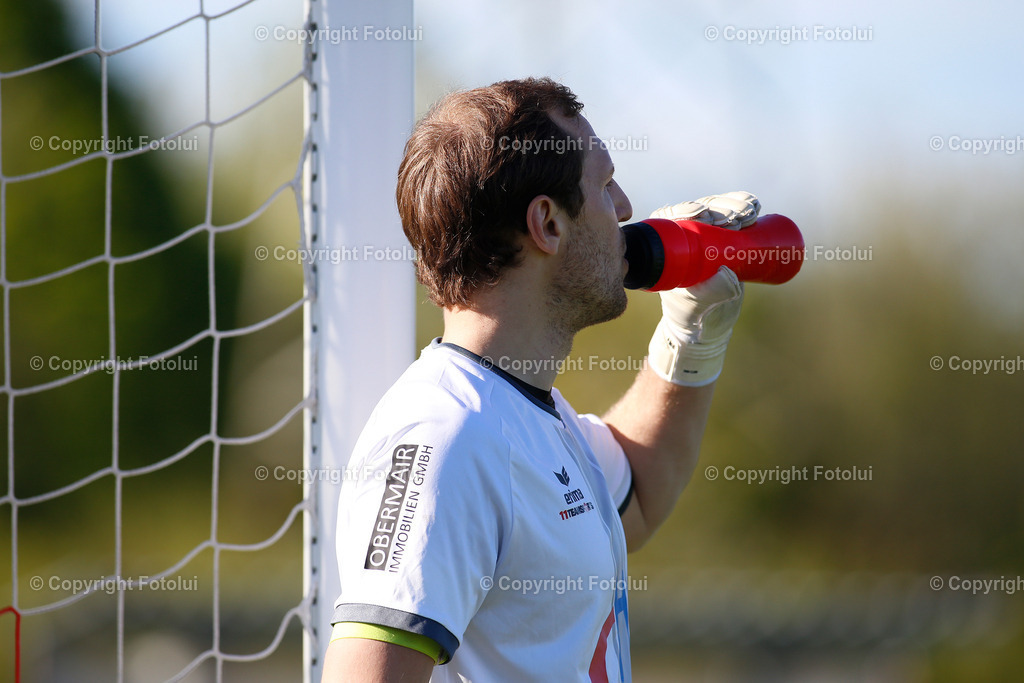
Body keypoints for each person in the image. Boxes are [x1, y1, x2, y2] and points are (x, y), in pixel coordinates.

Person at [321, 77, 760, 682]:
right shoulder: (443, 436)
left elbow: (639, 492)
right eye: (604, 183)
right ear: (547, 224)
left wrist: (692, 336)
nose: (627, 207)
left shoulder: (523, 412)